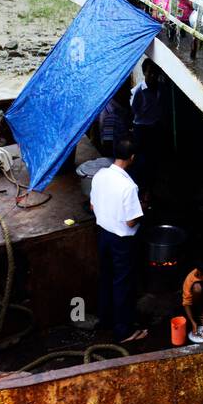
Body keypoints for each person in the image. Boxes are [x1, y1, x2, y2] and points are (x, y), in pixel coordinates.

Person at [90, 138, 148, 344]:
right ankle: (123, 331)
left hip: (103, 234)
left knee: (106, 277)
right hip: (122, 241)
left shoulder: (100, 175)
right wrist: (143, 208)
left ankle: (105, 319)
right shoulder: (128, 186)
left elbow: (92, 206)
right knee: (123, 284)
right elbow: (131, 222)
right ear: (132, 158)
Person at [130, 61, 166, 182]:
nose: (152, 76)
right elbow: (134, 110)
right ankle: (139, 184)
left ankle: (148, 184)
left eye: (154, 73)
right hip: (141, 128)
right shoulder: (139, 91)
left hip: (154, 126)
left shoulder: (159, 87)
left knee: (152, 156)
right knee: (140, 157)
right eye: (149, 73)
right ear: (144, 72)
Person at [97, 82, 132, 156]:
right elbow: (108, 144)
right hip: (116, 157)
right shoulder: (111, 114)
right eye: (127, 91)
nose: (130, 94)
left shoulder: (118, 109)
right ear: (119, 92)